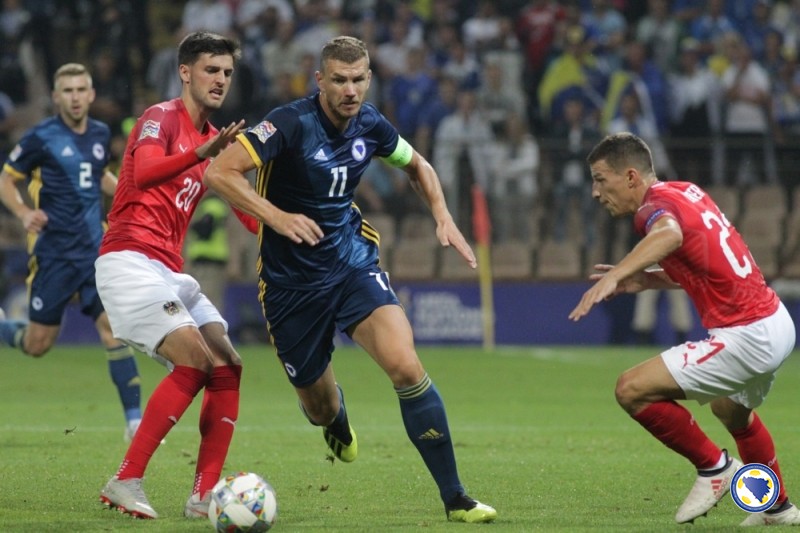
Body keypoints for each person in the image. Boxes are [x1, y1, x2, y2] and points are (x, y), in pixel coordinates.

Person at [203, 36, 497, 524]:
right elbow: (219, 172)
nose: (350, 90)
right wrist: (277, 217)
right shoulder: (290, 122)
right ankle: (335, 417)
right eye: (339, 80)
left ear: (369, 79)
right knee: (319, 407)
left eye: (359, 79)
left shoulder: (371, 123)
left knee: (405, 366)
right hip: (291, 285)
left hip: (351, 264)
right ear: (320, 80)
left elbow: (418, 165)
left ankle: (456, 498)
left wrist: (442, 215)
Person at [569, 132, 800, 526]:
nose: (595, 192)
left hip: (747, 335)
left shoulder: (651, 210)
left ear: (630, 176)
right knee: (731, 411)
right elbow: (705, 259)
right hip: (776, 322)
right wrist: (649, 280)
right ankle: (777, 508)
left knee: (631, 389)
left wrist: (619, 273)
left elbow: (670, 234)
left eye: (600, 179)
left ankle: (714, 467)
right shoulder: (685, 191)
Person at [95, 31, 255, 520]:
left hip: (168, 270)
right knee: (195, 360)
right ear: (185, 72)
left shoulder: (216, 141)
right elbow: (144, 173)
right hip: (128, 258)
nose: (220, 80)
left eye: (227, 72)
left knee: (227, 365)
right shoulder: (159, 118)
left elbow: (249, 213)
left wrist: (289, 220)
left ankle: (203, 497)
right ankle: (125, 479)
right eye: (211, 70)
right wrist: (202, 156)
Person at [0, 62, 143, 442]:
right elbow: (6, 180)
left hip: (95, 252)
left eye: (81, 90)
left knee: (113, 329)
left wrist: (130, 194)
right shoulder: (41, 137)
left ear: (91, 95)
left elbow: (98, 174)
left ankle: (135, 421)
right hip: (54, 255)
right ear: (56, 97)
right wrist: (24, 212)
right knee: (38, 345)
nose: (75, 97)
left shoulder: (99, 133)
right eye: (68, 91)